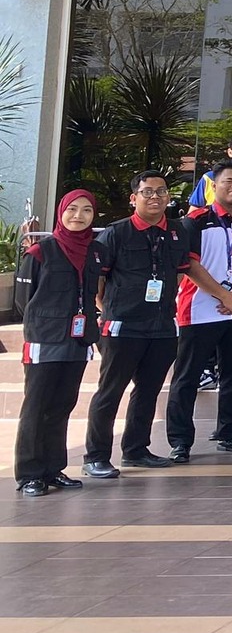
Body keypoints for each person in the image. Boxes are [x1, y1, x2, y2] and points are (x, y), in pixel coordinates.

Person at [165, 161, 232, 459]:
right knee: (187, 377)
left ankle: (231, 433)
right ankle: (180, 442)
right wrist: (224, 295)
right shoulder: (196, 220)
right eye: (229, 181)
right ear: (215, 184)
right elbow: (189, 265)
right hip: (200, 310)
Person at [83, 172, 184, 475]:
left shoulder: (177, 231)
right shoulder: (115, 234)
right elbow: (98, 281)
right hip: (122, 326)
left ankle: (136, 449)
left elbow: (179, 272)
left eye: (161, 192)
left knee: (149, 390)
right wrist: (107, 311)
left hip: (162, 326)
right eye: (147, 192)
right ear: (134, 198)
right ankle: (96, 456)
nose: (155, 197)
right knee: (110, 391)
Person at [15, 190, 99, 496]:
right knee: (36, 408)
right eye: (72, 209)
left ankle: (53, 468)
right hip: (44, 340)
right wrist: (47, 324)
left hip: (77, 341)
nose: (78, 216)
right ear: (61, 212)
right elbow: (23, 301)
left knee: (62, 406)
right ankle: (29, 474)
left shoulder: (94, 251)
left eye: (86, 210)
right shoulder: (40, 251)